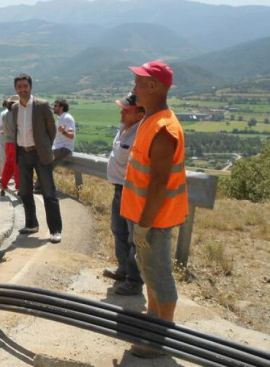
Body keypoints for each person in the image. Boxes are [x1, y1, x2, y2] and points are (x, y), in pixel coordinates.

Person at [121, 61, 188, 358]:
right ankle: (153, 321)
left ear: (153, 86)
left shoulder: (163, 128)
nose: (134, 87)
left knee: (159, 276)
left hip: (156, 220)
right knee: (149, 271)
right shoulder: (151, 119)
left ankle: (161, 339)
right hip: (146, 217)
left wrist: (145, 225)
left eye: (139, 81)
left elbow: (159, 183)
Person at [6, 73, 62, 244]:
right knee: (24, 191)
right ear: (16, 89)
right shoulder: (15, 108)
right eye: (19, 87)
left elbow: (52, 131)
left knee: (49, 193)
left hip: (40, 154)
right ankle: (31, 224)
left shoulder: (42, 105)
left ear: (31, 87)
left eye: (25, 86)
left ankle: (55, 230)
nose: (22, 90)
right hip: (23, 154)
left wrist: (44, 147)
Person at [103, 92, 145, 296]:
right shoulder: (124, 128)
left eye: (126, 110)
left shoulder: (141, 133)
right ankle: (124, 270)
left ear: (138, 114)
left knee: (132, 237)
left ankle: (135, 280)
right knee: (118, 230)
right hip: (119, 188)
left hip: (132, 190)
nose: (121, 112)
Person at [34, 98, 75, 192]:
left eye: (56, 106)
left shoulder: (67, 118)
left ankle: (40, 187)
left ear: (61, 107)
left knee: (46, 164)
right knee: (44, 163)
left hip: (64, 147)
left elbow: (71, 135)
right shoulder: (61, 118)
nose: (54, 108)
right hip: (58, 147)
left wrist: (64, 132)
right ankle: (43, 186)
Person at [0, 96, 19, 197]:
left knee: (8, 166)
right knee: (17, 167)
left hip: (7, 143)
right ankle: (19, 187)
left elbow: (1, 129)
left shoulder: (5, 114)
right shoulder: (17, 115)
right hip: (16, 144)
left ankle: (3, 186)